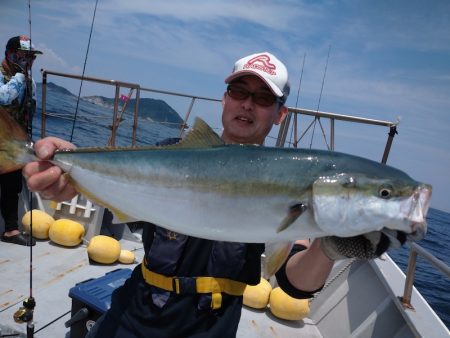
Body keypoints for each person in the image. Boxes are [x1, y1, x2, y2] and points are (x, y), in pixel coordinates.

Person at [23, 52, 403, 337]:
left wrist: (329, 249)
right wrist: (69, 173)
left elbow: (293, 282)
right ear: (224, 98)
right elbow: (122, 196)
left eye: (263, 98)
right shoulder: (173, 152)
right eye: (239, 91)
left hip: (210, 328)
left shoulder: (292, 177)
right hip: (136, 311)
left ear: (280, 114)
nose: (248, 103)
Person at [0, 35, 42, 246]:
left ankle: (10, 230)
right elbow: (3, 97)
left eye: (31, 57)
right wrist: (19, 78)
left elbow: (29, 109)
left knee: (12, 186)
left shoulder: (29, 81)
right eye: (24, 56)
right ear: (10, 54)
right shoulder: (10, 76)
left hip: (13, 144)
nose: (29, 61)